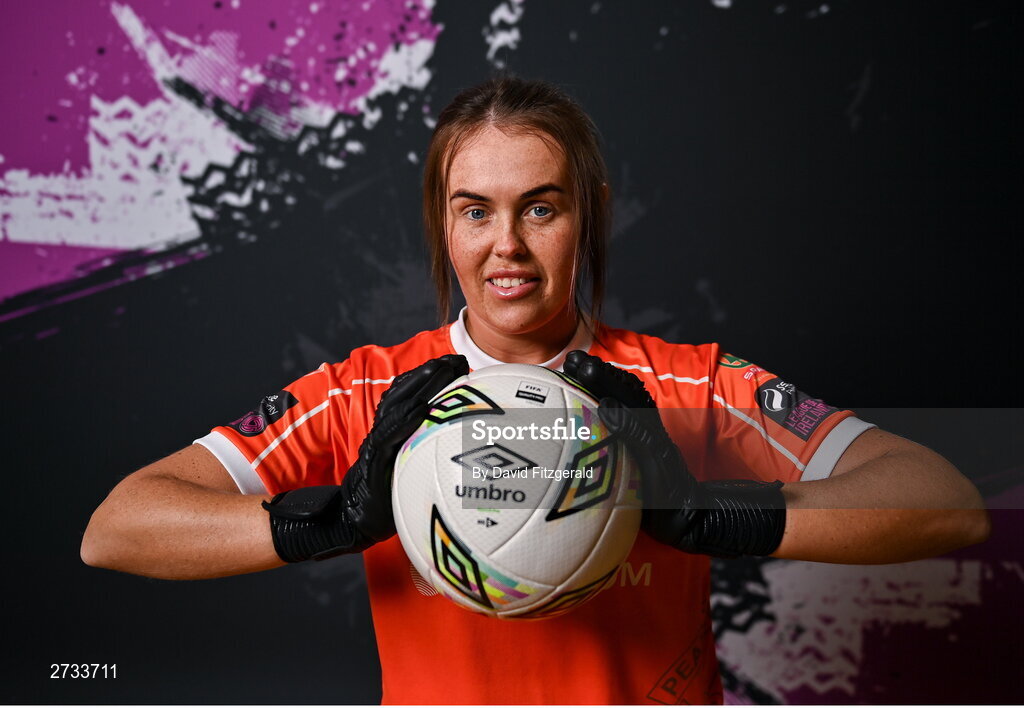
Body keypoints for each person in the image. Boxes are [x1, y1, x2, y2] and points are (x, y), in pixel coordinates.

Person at [81, 76, 990, 704]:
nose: (506, 245)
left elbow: (943, 502)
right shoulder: (368, 393)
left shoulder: (687, 385)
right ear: (443, 223)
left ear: (588, 212)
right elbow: (118, 527)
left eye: (541, 207)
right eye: (475, 210)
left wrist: (719, 517)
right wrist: (326, 523)